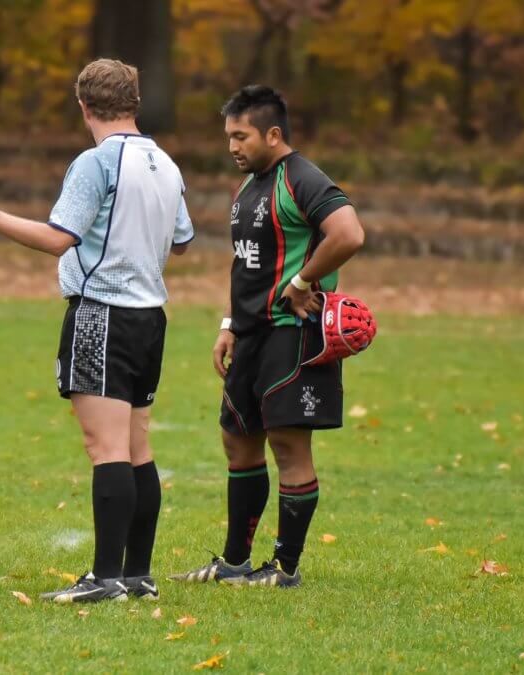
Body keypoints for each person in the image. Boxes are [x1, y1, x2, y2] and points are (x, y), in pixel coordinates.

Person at [0, 59, 193, 603]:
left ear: (83, 106)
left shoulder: (96, 162)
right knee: (137, 445)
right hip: (150, 318)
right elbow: (181, 241)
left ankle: (105, 580)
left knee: (106, 447)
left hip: (102, 314)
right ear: (135, 102)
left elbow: (59, 238)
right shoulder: (165, 162)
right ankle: (137, 575)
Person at [170, 85, 365, 588]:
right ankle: (235, 563)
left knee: (288, 446)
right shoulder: (249, 187)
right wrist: (228, 324)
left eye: (242, 136)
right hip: (251, 335)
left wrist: (302, 282)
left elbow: (348, 233)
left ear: (273, 134)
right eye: (228, 136)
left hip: (292, 335)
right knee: (238, 442)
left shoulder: (302, 178)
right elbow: (246, 264)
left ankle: (285, 567)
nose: (232, 146)